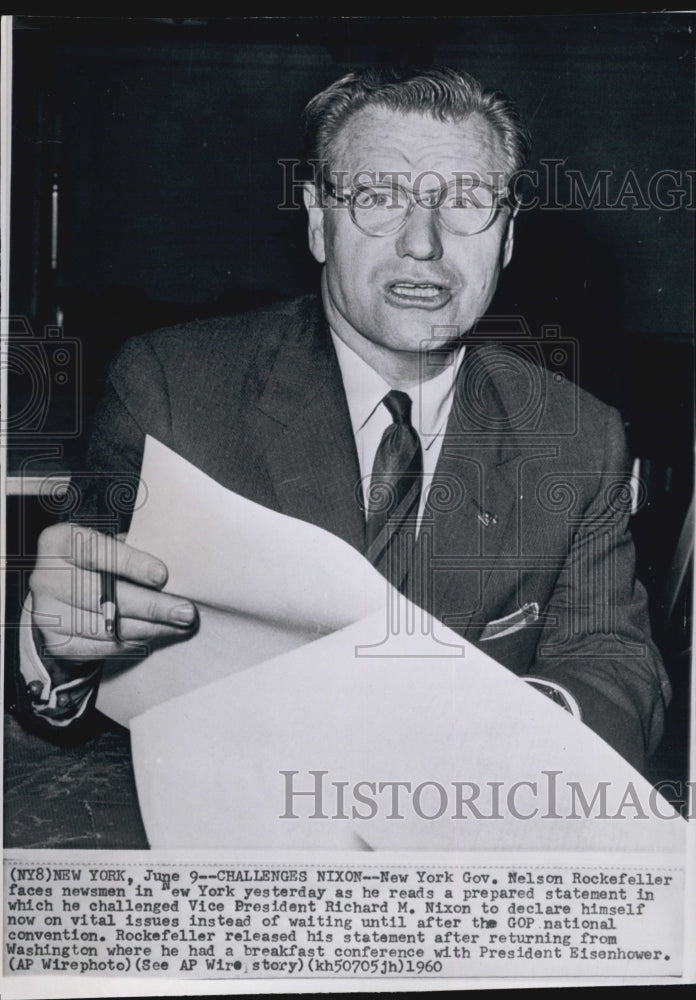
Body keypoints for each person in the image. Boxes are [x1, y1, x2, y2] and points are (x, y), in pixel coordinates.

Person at [18, 66, 671, 773]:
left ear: (507, 236)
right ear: (318, 221)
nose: (422, 243)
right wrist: (55, 644)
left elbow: (616, 668)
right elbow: (69, 648)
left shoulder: (576, 439)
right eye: (379, 197)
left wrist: (502, 740)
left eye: (468, 201)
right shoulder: (171, 392)